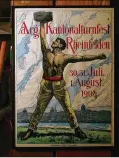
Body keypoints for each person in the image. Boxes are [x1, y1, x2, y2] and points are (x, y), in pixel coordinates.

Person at [21, 11, 107, 140]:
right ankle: (31, 130)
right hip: (46, 84)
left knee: (67, 107)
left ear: (60, 45)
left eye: (56, 41)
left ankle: (77, 129)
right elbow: (42, 37)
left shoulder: (65, 57)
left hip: (59, 85)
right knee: (39, 108)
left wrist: (98, 56)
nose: (53, 42)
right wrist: (42, 24)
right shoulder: (47, 52)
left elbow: (81, 57)